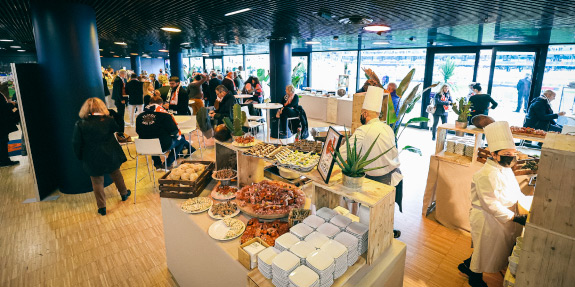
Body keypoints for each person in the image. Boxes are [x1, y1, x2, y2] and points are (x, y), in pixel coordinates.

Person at [458, 121, 528, 287]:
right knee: (484, 250)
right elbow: (490, 204)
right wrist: (515, 217)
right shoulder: (485, 175)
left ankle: (466, 265)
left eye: (513, 152)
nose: (511, 156)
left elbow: (514, 190)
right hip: (487, 219)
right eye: (506, 153)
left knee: (490, 249)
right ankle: (474, 278)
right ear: (494, 154)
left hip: (501, 218)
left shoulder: (505, 168)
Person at [338, 86, 403, 238]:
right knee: (385, 213)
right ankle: (387, 232)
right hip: (393, 179)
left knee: (368, 225)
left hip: (374, 183)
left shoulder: (363, 131)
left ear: (365, 113)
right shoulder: (387, 128)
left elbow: (342, 154)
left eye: (361, 113)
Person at [72, 98, 131, 216]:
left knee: (97, 182)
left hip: (91, 156)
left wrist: (80, 156)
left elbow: (76, 143)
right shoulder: (108, 120)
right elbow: (118, 128)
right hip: (110, 153)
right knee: (116, 174)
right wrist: (114, 115)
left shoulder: (80, 124)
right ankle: (124, 194)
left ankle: (102, 207)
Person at [136, 96, 193, 169]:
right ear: (161, 104)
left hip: (143, 146)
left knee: (151, 138)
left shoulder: (139, 116)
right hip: (162, 145)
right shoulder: (165, 115)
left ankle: (157, 164)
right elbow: (174, 131)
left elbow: (138, 131)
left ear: (150, 103)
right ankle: (168, 164)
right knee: (182, 140)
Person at [0, 82, 19, 167]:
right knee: (2, 142)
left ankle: (4, 160)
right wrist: (11, 104)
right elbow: (2, 107)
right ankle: (4, 161)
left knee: (3, 141)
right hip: (1, 123)